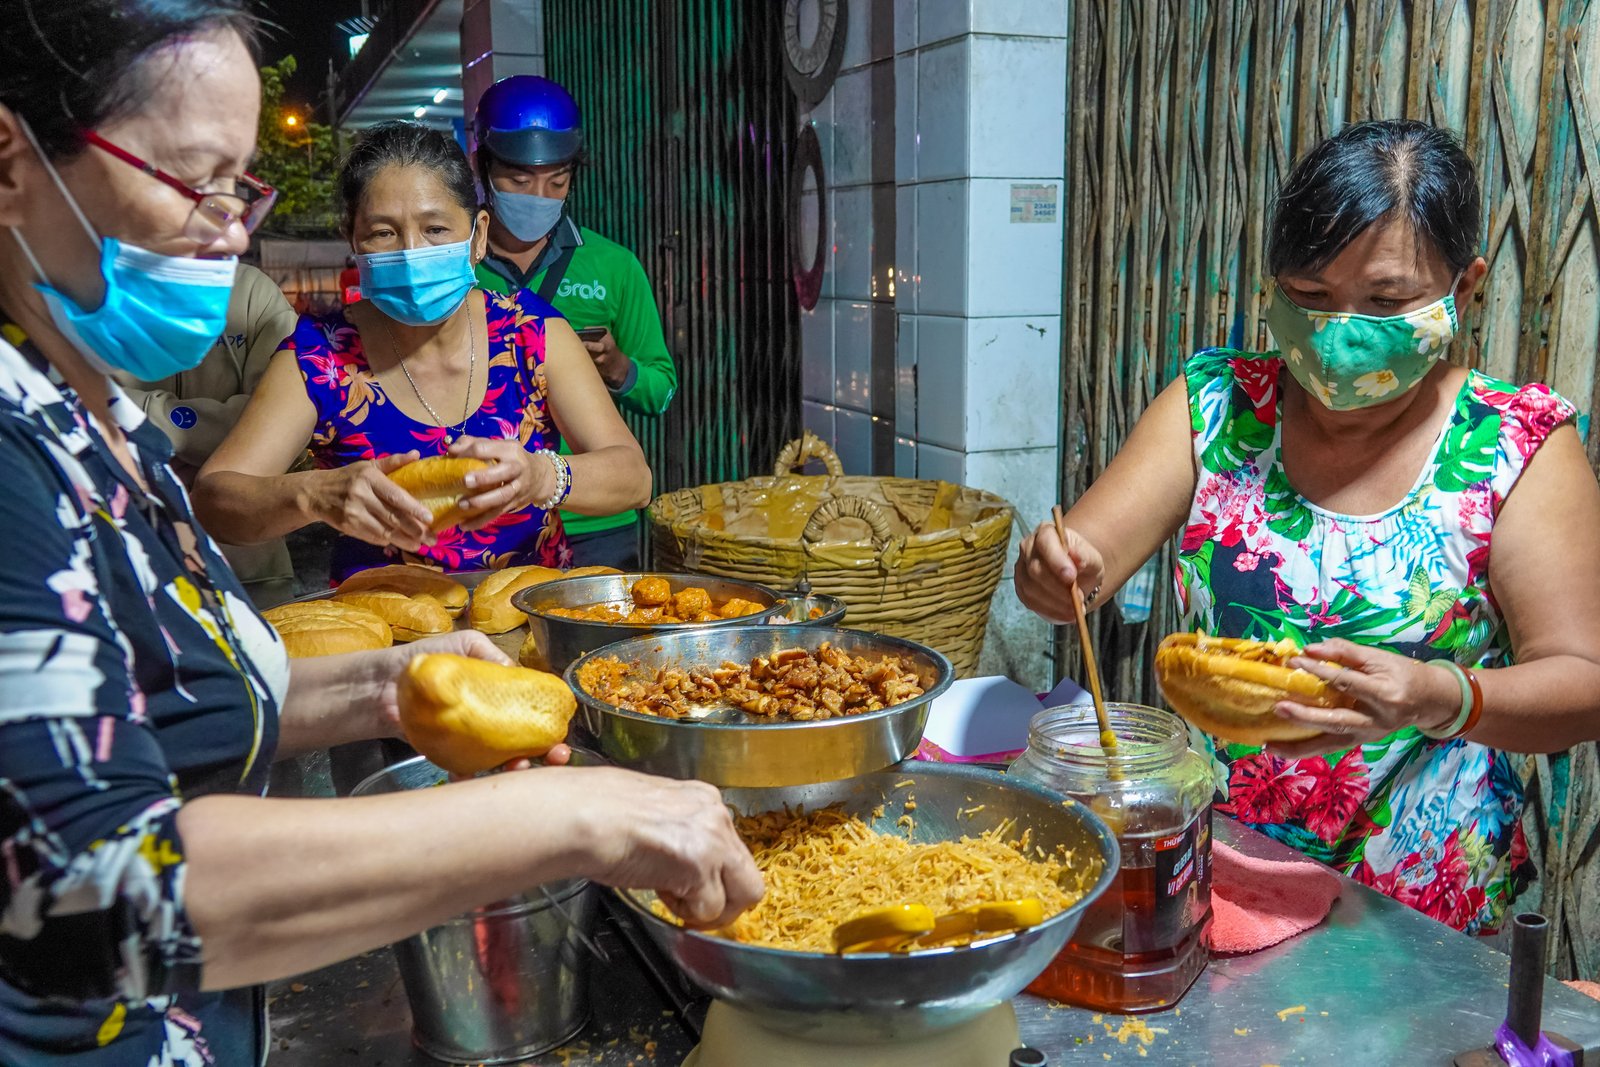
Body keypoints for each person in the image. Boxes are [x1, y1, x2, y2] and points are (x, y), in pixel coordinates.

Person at [0, 5, 761, 1063]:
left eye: (239, 188)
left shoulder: (89, 424)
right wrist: (576, 814)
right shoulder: (50, 446)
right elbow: (92, 878)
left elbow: (179, 706)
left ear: (477, 235)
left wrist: (394, 680)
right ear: (13, 163)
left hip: (485, 661)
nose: (231, 231)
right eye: (191, 179)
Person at [1015, 120, 1600, 935]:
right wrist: (1055, 575)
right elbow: (1075, 570)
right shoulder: (1217, 405)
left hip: (1413, 911)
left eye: (1387, 302)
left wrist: (1444, 695)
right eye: (1310, 296)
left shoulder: (1515, 445)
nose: (1339, 332)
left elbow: (1583, 680)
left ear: (1463, 291)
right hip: (1218, 870)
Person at [194, 120, 653, 582]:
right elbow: (214, 500)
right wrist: (313, 495)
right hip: (382, 617)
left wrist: (541, 476)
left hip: (525, 611)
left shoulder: (531, 334)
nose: (412, 253)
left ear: (477, 236)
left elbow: (634, 478)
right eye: (383, 233)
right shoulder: (320, 359)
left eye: (435, 228)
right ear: (352, 239)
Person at [473, 75, 676, 569]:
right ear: (482, 167)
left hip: (594, 519)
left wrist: (619, 368)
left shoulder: (614, 265)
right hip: (488, 521)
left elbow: (662, 391)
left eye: (557, 182)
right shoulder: (454, 268)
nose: (538, 196)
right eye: (519, 181)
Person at [114, 261, 298, 599]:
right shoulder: (90, 285)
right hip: (123, 565)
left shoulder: (251, 291)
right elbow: (67, 403)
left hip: (248, 570)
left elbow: (290, 417)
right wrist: (227, 447)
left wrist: (147, 430)